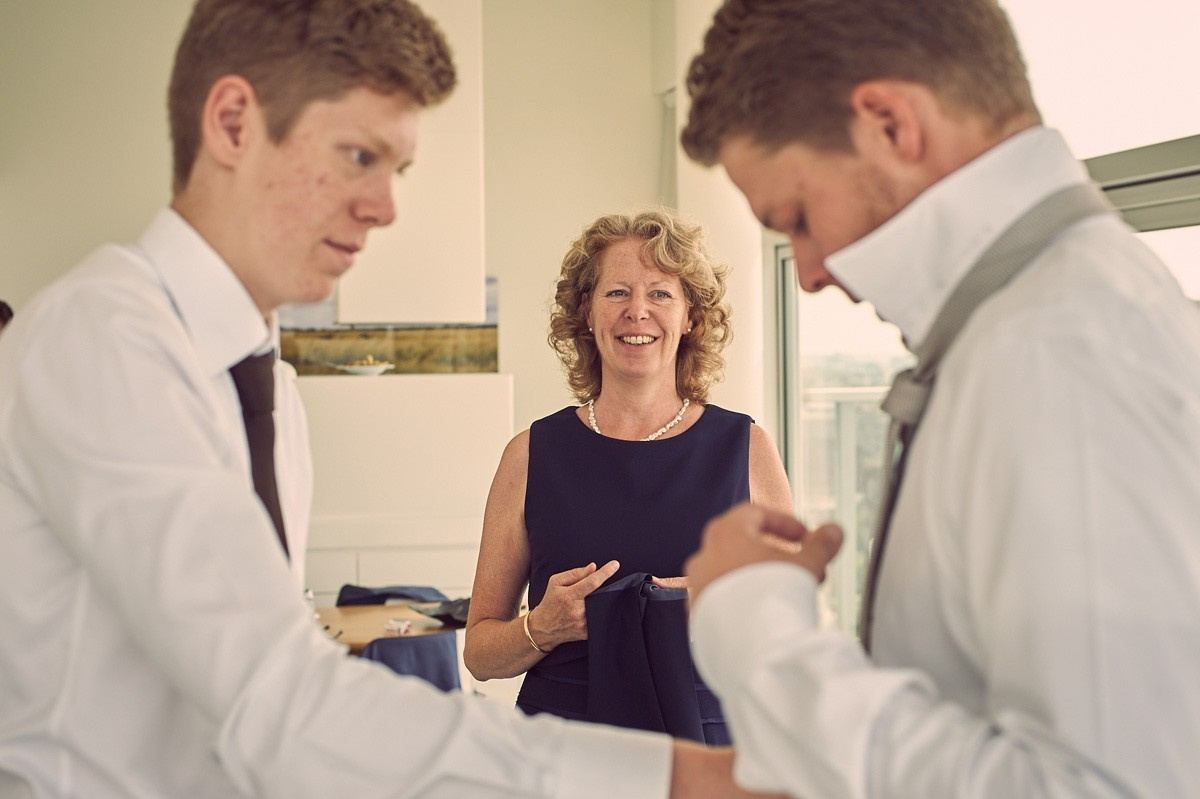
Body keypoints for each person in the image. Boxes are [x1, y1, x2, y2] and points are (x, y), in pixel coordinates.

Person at [0, 2, 779, 797]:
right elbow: (280, 699)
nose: (386, 207)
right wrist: (666, 779)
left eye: (396, 171)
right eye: (359, 155)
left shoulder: (262, 377)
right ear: (234, 123)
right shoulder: (103, 339)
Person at [678, 0, 1200, 797]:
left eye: (797, 218)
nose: (810, 273)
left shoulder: (1060, 352)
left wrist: (761, 632)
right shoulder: (1045, 323)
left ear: (890, 123)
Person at [463, 208, 794, 743]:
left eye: (661, 294)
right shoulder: (529, 455)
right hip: (563, 752)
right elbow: (479, 654)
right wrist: (542, 627)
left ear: (691, 316)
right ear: (586, 315)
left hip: (709, 748)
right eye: (617, 293)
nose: (637, 312)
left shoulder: (747, 448)